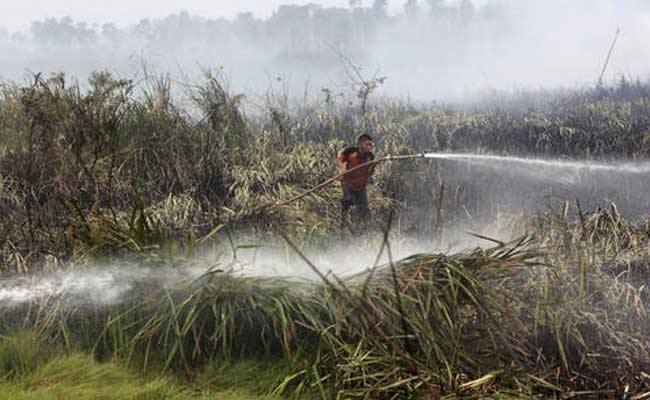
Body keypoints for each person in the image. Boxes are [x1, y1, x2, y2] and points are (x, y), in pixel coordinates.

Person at [336, 134, 376, 229]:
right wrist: (342, 169)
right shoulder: (350, 152)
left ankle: (362, 229)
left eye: (371, 145)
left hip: (361, 187)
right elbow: (338, 160)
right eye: (368, 144)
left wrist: (374, 165)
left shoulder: (370, 157)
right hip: (348, 184)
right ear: (360, 144)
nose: (370, 147)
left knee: (364, 210)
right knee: (348, 200)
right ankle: (343, 224)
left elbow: (369, 173)